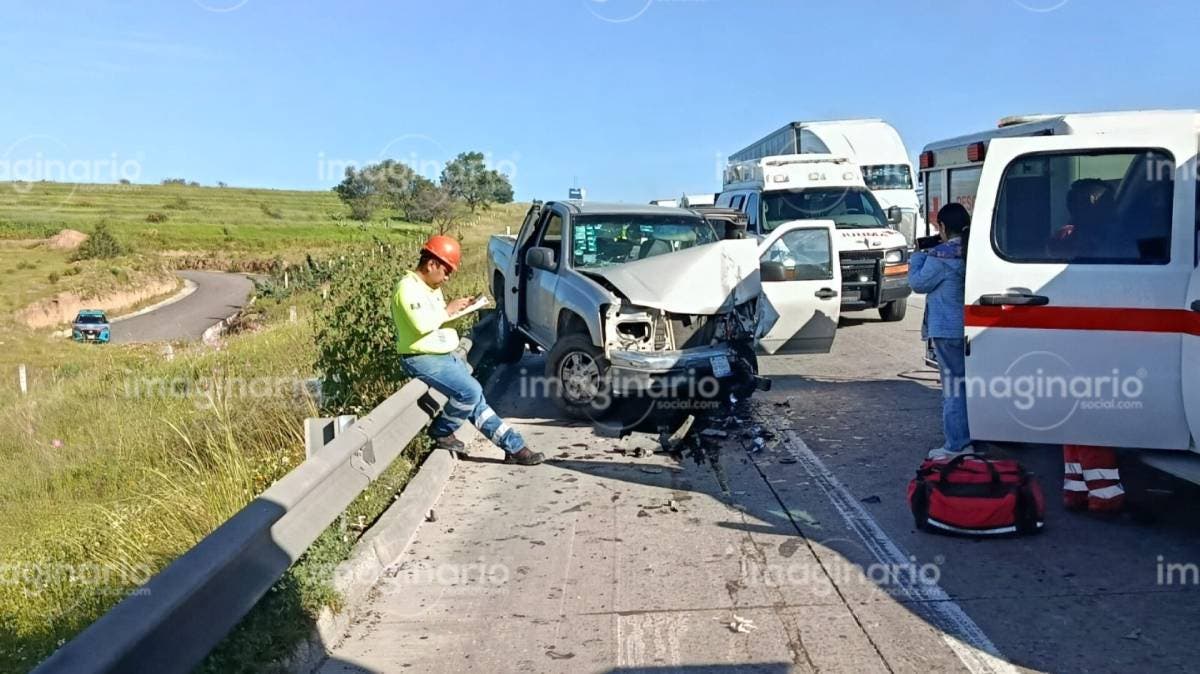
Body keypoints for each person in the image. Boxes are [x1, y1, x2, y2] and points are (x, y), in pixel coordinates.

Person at [392, 235, 544, 466]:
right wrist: (448, 310)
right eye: (446, 271)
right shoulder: (407, 289)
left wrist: (457, 309)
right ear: (431, 264)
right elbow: (421, 324)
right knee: (470, 392)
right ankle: (442, 430)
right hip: (422, 357)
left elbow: (436, 320)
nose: (447, 277)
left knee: (476, 400)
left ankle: (515, 447)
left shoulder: (429, 288)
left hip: (443, 355)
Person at [909, 203, 972, 461]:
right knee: (969, 385)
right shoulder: (972, 251)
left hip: (947, 329)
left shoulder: (940, 256)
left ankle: (957, 444)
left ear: (943, 227)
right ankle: (972, 436)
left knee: (953, 388)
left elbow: (918, 283)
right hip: (971, 327)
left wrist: (917, 256)